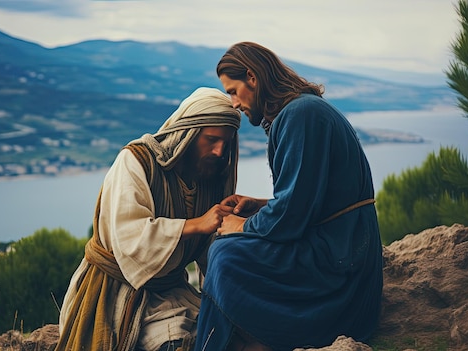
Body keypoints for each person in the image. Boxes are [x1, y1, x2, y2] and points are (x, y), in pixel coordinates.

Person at [195, 42, 384, 351]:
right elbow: (310, 202)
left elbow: (291, 217)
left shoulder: (300, 115)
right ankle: (240, 338)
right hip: (341, 247)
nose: (233, 103)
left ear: (252, 78)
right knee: (227, 248)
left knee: (226, 254)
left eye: (232, 91)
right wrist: (259, 206)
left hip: (339, 262)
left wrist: (241, 226)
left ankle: (235, 342)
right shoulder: (301, 111)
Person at [55, 87, 241, 351]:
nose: (220, 151)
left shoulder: (210, 177)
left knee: (231, 332)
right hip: (117, 291)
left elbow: (212, 253)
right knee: (177, 343)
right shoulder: (136, 161)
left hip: (172, 290)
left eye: (227, 142)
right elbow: (130, 238)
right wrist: (196, 224)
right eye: (211, 139)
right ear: (188, 133)